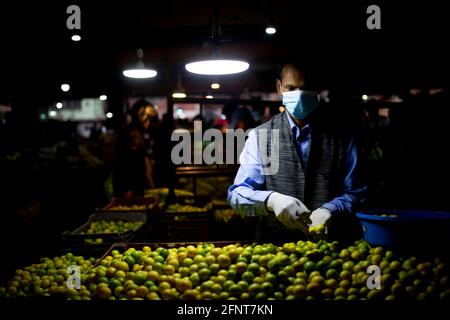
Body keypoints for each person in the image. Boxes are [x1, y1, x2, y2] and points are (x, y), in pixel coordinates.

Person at [228, 62, 367, 242]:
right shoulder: (260, 136)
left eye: (306, 88)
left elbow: (358, 191)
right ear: (279, 87)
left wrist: (332, 209)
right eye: (290, 88)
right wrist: (271, 200)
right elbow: (237, 194)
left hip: (333, 249)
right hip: (274, 250)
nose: (299, 95)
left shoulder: (343, 136)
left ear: (317, 89)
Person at [112, 99, 158, 197]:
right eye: (148, 118)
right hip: (129, 190)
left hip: (131, 187)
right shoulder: (133, 135)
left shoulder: (135, 133)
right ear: (140, 117)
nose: (149, 122)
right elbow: (130, 164)